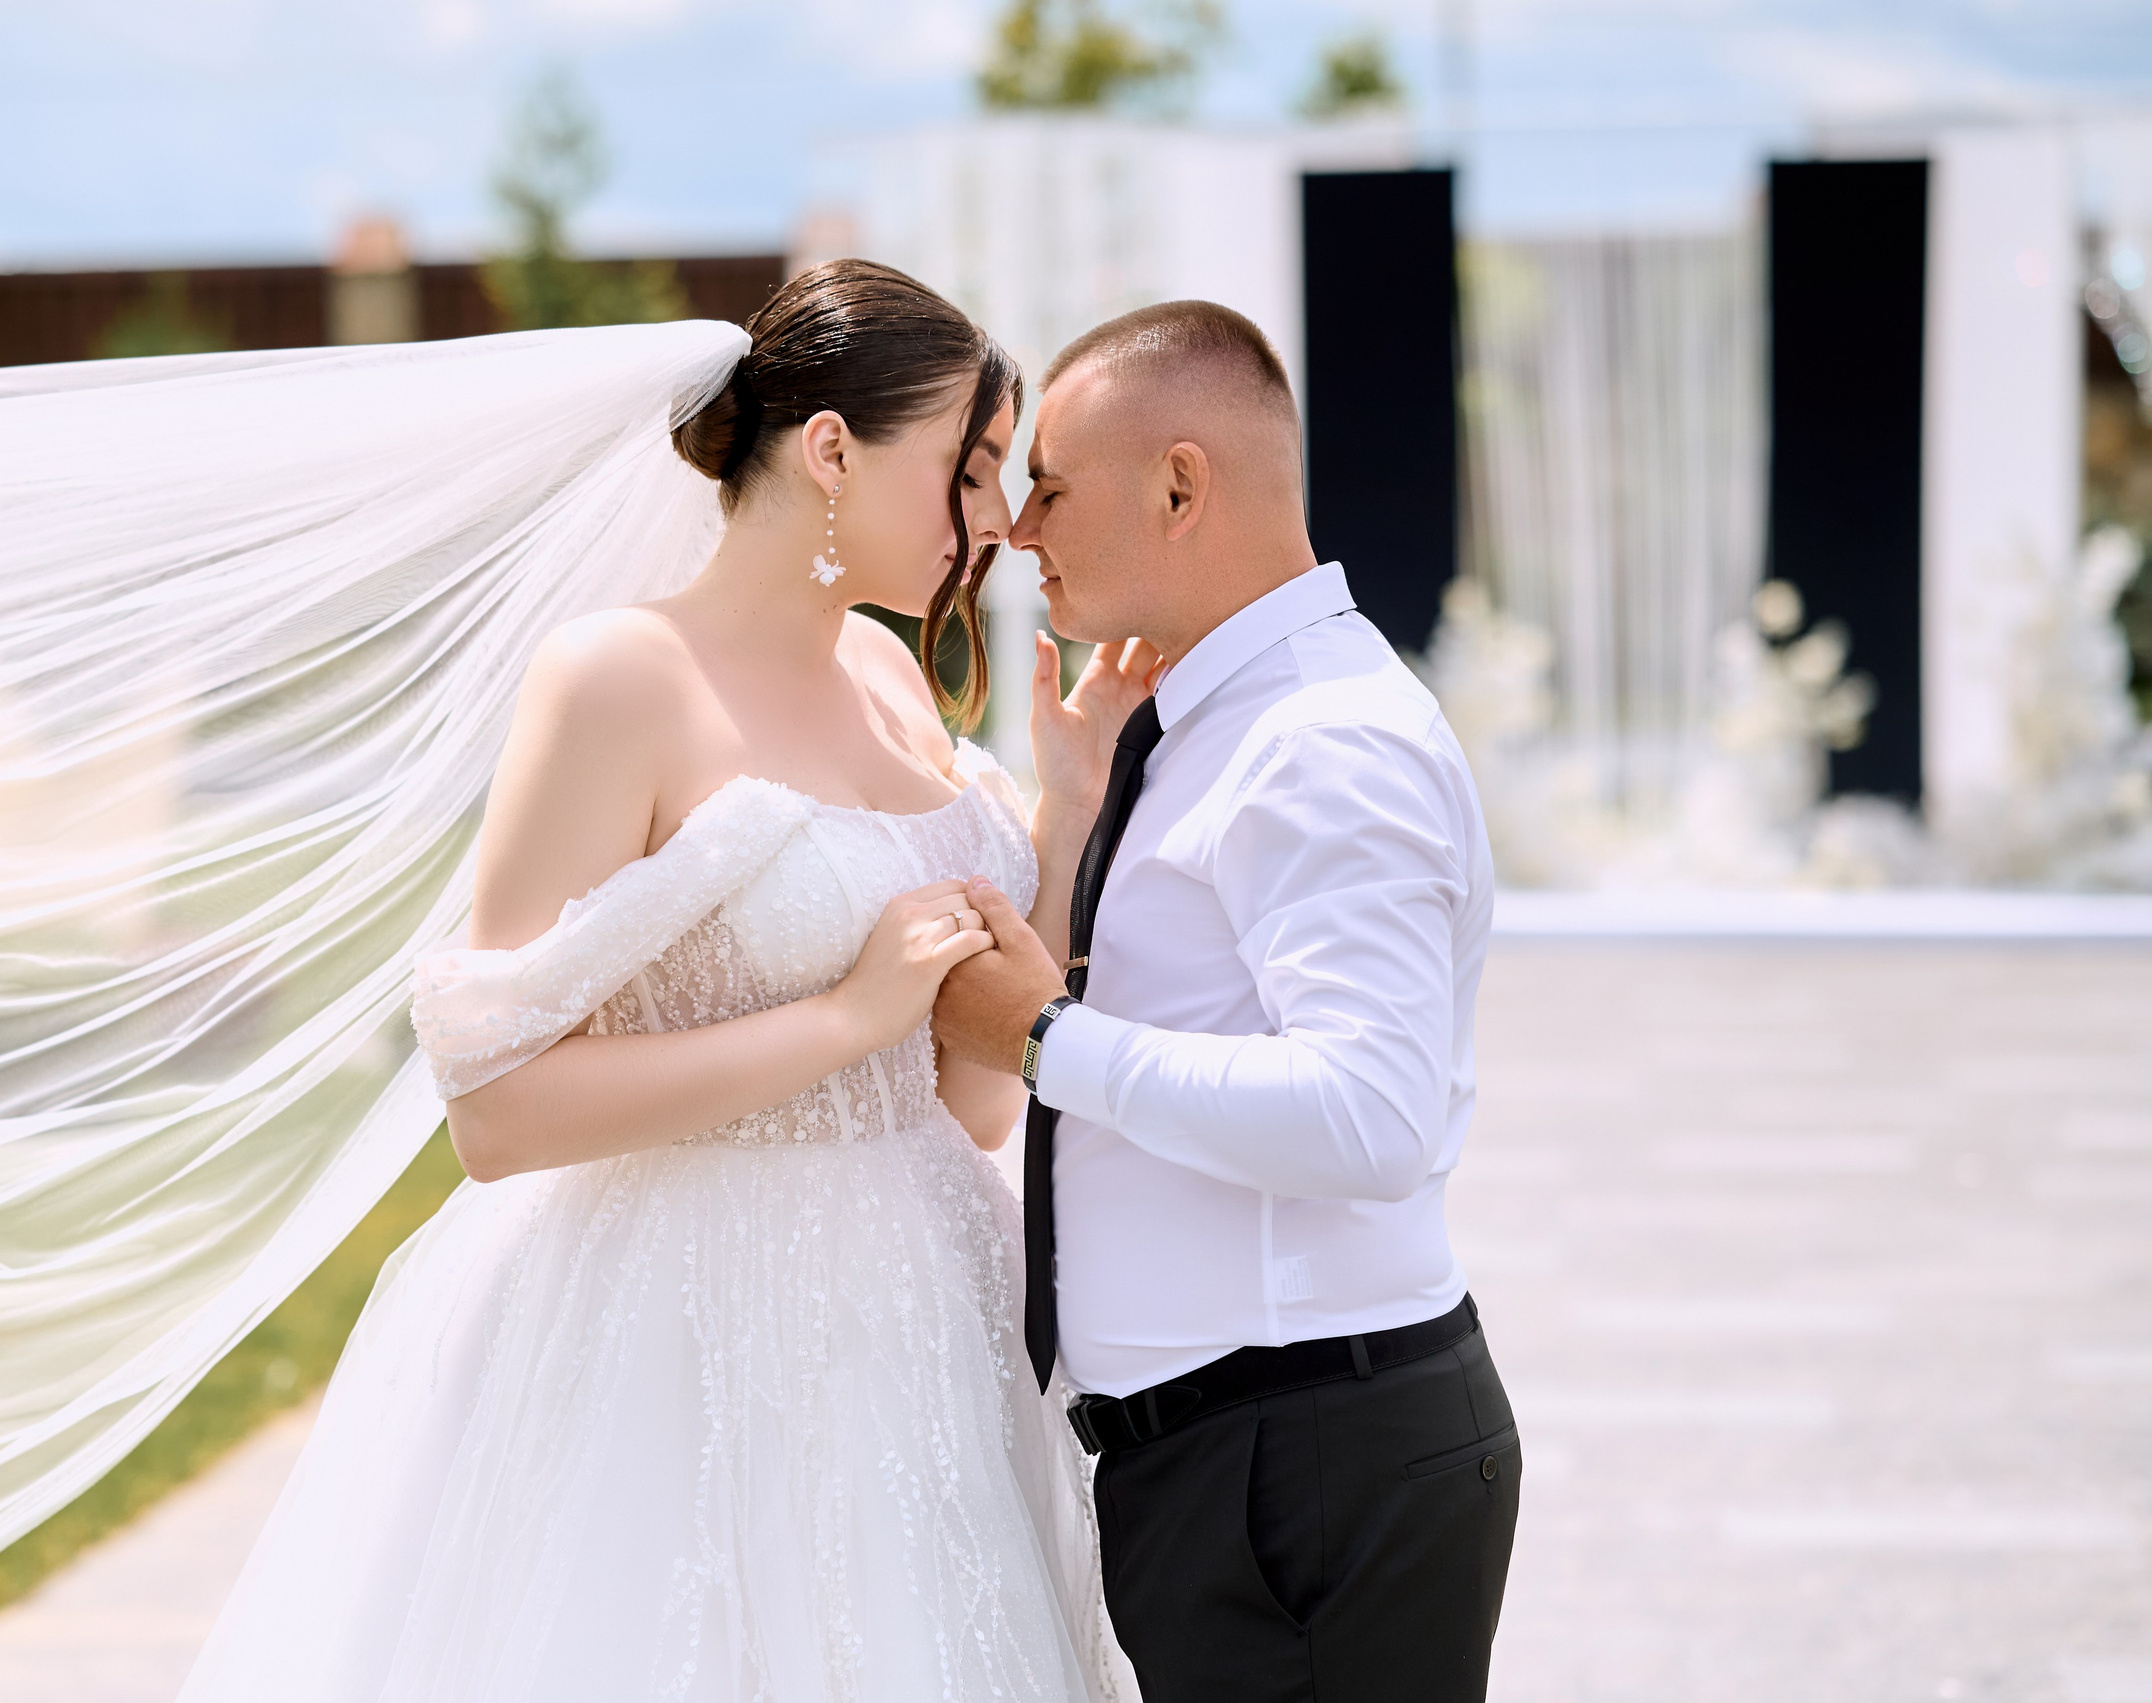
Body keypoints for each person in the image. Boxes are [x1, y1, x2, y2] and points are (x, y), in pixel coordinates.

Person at [172, 261, 1134, 1702]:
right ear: (829, 452)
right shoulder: (619, 681)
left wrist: (1061, 816)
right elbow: (493, 1113)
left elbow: (975, 1104)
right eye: (969, 470)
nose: (997, 524)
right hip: (675, 1336)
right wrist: (837, 1020)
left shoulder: (889, 682)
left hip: (924, 1331)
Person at [934, 301, 1518, 1702]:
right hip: (1258, 1457)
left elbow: (1372, 1118)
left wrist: (1048, 1039)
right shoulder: (1237, 724)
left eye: (1053, 489)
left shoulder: (1319, 745)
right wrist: (1072, 813)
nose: (1020, 531)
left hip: (1303, 1464)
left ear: (1181, 485)